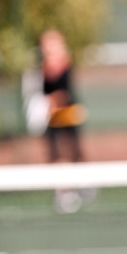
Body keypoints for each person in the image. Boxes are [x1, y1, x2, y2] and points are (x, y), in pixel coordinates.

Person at [39, 28, 85, 164]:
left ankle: (83, 180)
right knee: (55, 150)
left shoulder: (66, 63)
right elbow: (45, 90)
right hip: (53, 112)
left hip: (68, 110)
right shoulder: (43, 67)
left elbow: (66, 90)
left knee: (74, 148)